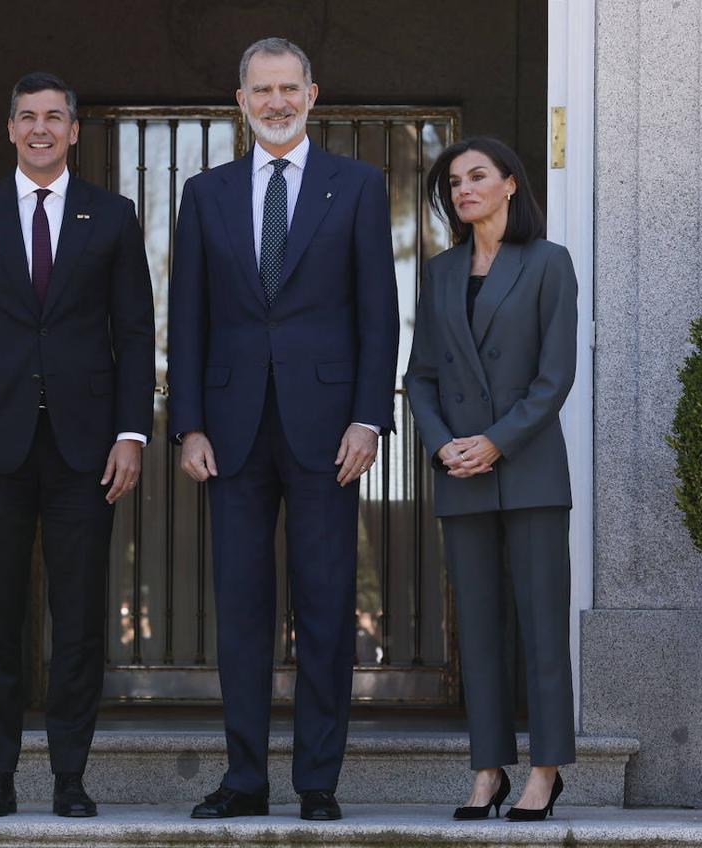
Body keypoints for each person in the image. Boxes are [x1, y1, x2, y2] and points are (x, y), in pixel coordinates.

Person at [168, 38, 399, 821]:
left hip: (330, 428)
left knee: (328, 603)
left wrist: (370, 416)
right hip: (229, 431)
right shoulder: (205, 193)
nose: (275, 101)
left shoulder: (358, 186)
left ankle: (316, 782)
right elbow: (188, 317)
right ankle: (243, 779)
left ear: (312, 94)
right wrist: (187, 424)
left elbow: (379, 315)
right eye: (261, 90)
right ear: (240, 100)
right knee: (239, 607)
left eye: (288, 88)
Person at [0, 72, 155, 818]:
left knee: (81, 617)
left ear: (76, 130)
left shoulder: (113, 216)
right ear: (9, 127)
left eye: (55, 117)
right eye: (27, 116)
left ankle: (69, 778)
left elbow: (133, 330)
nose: (41, 129)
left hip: (87, 450)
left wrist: (131, 432)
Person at [404, 136, 577, 821]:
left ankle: (545, 770)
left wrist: (496, 443)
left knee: (541, 625)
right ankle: (486, 771)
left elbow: (554, 376)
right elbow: (419, 375)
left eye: (477, 177)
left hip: (529, 468)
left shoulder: (549, 264)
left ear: (511, 184)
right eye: (452, 182)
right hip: (461, 474)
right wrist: (445, 444)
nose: (462, 189)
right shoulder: (441, 272)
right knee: (475, 629)